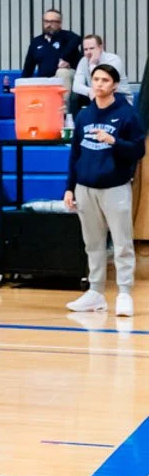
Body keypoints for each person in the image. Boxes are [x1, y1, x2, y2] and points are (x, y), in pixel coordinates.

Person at [64, 63, 143, 318]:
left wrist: (114, 142)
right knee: (93, 243)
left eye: (105, 80)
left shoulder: (127, 114)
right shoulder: (85, 115)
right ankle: (95, 292)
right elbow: (75, 153)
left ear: (115, 85)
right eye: (96, 79)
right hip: (85, 188)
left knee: (121, 243)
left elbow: (138, 150)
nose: (99, 84)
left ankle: (124, 293)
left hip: (115, 187)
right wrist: (69, 188)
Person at [20, 8, 80, 85]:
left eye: (52, 22)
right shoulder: (36, 42)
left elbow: (78, 39)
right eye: (46, 21)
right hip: (44, 82)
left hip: (64, 80)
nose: (49, 25)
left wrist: (64, 58)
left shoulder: (67, 37)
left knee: (63, 72)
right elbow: (28, 68)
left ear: (60, 23)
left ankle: (62, 97)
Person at [70, 33, 125, 114]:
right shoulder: (83, 61)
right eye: (85, 49)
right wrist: (90, 91)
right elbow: (76, 86)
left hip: (117, 95)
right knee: (75, 97)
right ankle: (76, 124)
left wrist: (92, 65)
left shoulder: (113, 60)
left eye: (92, 48)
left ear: (100, 47)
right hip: (96, 95)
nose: (88, 52)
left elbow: (106, 84)